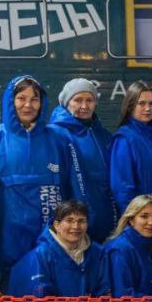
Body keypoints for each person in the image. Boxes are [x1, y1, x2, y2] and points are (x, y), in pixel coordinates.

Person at [0, 75, 85, 280]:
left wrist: (77, 225)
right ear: (11, 101)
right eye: (21, 98)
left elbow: (75, 186)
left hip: (50, 233)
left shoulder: (59, 138)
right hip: (6, 235)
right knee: (10, 290)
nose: (28, 105)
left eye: (34, 99)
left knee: (50, 286)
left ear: (42, 102)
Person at [50, 78, 117, 241]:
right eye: (78, 100)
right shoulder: (55, 134)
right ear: (66, 102)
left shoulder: (104, 136)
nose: (84, 106)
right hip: (73, 223)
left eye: (90, 100)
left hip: (104, 217)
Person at [109, 82, 152, 214]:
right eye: (141, 103)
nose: (148, 108)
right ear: (130, 106)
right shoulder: (124, 139)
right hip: (140, 219)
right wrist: (135, 218)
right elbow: (122, 189)